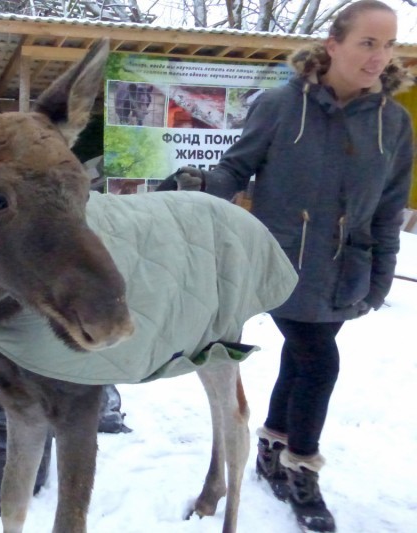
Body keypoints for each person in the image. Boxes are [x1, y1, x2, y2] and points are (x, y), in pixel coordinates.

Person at [165, 1, 414, 531]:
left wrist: (381, 274)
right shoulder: (282, 105)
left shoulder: (395, 122)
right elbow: (237, 166)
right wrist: (195, 194)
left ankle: (272, 448)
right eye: (367, 42)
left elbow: (391, 206)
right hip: (279, 261)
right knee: (319, 361)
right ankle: (302, 468)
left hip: (348, 268)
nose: (379, 56)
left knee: (301, 362)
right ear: (333, 45)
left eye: (388, 44)